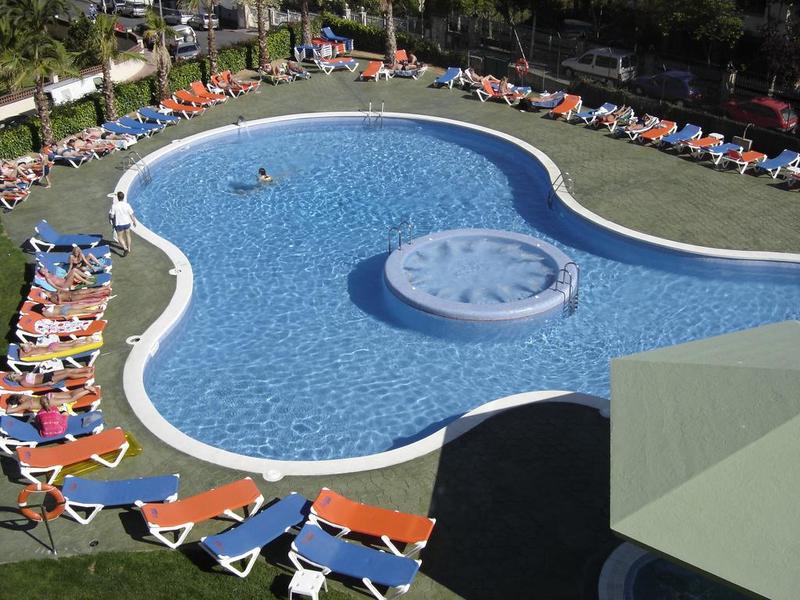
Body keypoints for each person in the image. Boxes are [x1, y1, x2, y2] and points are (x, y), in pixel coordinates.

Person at [5, 385, 98, 415]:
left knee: (71, 399)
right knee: (69, 394)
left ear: (19, 401)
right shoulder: (26, 397)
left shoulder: (25, 403)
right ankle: (84, 388)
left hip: (49, 401)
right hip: (48, 395)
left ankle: (87, 391)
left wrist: (10, 403)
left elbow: (9, 411)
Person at [19, 332, 102, 359]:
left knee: (71, 347)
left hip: (52, 349)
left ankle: (89, 342)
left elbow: (23, 356)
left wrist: (24, 351)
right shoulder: (34, 347)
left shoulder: (30, 352)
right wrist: (25, 346)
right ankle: (88, 339)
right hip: (52, 344)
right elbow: (28, 347)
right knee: (71, 343)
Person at [3, 367, 95, 388]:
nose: (15, 373)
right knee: (67, 374)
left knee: (67, 370)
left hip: (46, 374)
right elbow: (35, 386)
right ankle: (86, 375)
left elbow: (35, 374)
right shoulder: (22, 382)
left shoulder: (23, 374)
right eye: (13, 375)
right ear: (14, 379)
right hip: (46, 379)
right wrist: (47, 384)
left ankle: (87, 369)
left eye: (13, 372)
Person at [108, 190, 137, 256]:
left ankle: (125, 248)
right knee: (128, 235)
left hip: (119, 224)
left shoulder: (114, 206)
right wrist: (134, 221)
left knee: (120, 237)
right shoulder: (127, 205)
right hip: (127, 223)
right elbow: (131, 215)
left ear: (118, 198)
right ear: (123, 197)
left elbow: (112, 216)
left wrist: (110, 219)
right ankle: (129, 248)